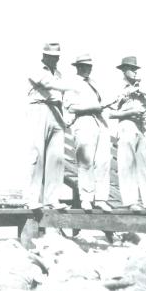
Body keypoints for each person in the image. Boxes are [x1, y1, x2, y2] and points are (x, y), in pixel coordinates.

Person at [109, 56, 146, 217]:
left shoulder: (141, 88)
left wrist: (139, 89)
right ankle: (131, 202)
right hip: (126, 125)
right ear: (123, 70)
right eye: (131, 69)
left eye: (136, 69)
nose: (135, 72)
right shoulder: (119, 89)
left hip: (140, 129)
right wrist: (130, 111)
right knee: (127, 164)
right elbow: (109, 112)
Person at [26, 43, 73, 210]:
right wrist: (73, 86)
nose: (56, 59)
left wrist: (66, 114)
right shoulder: (36, 68)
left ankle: (52, 199)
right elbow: (47, 85)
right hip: (39, 108)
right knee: (37, 153)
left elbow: (63, 96)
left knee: (56, 157)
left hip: (56, 111)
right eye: (52, 56)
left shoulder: (59, 74)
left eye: (57, 56)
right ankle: (32, 198)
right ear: (44, 55)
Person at [64, 54, 112, 211]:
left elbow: (101, 104)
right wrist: (92, 107)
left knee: (103, 161)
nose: (88, 69)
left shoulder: (94, 84)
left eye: (89, 66)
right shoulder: (71, 83)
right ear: (77, 67)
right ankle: (86, 198)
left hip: (100, 122)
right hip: (83, 121)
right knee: (86, 161)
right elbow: (71, 107)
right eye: (85, 66)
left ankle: (101, 198)